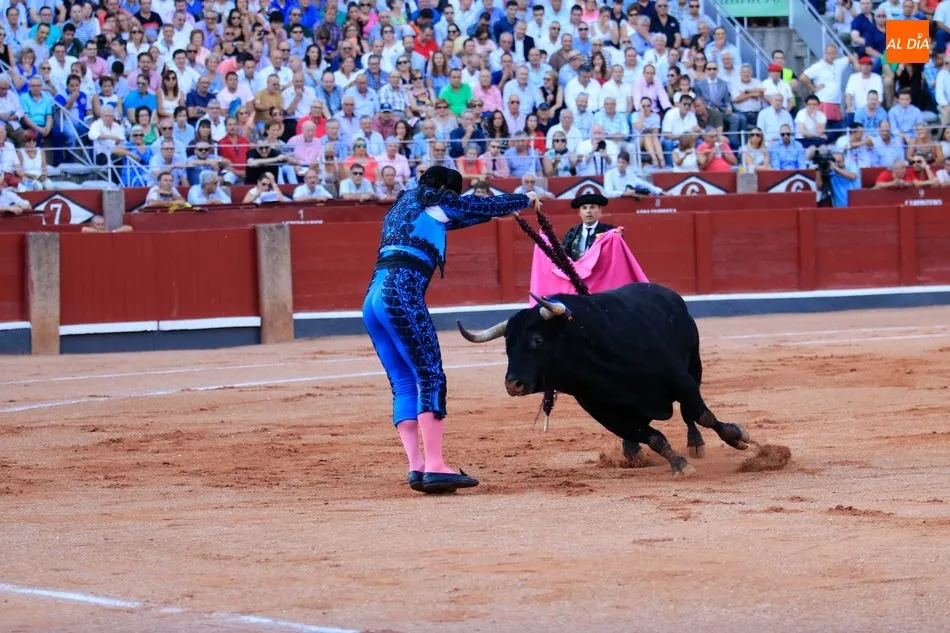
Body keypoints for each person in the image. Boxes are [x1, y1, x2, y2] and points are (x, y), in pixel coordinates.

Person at [362, 165, 540, 494]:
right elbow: (475, 205)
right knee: (430, 375)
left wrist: (499, 213)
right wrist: (524, 199)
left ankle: (417, 466)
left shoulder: (403, 204)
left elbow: (462, 216)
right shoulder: (436, 198)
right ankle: (435, 466)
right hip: (399, 294)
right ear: (446, 189)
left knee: (404, 382)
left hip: (373, 299)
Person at [562, 190, 617, 261]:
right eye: (584, 208)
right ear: (580, 212)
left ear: (600, 210)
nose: (588, 211)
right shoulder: (572, 232)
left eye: (592, 207)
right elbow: (564, 256)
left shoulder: (609, 231)